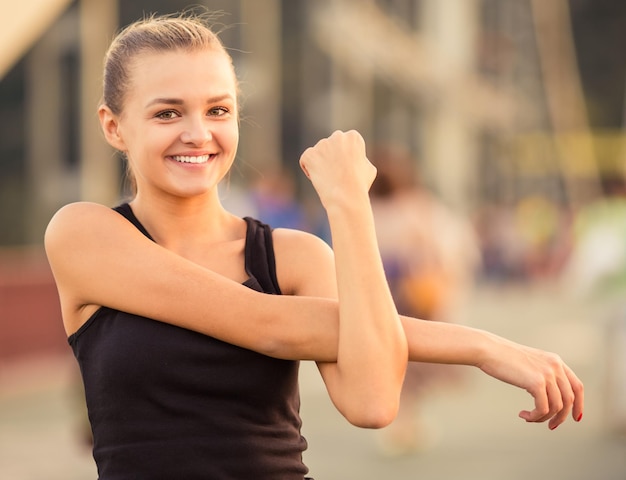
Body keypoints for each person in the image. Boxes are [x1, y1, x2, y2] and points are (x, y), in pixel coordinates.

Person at [44, 11, 584, 480]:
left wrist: (349, 203)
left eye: (218, 110)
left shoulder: (294, 257)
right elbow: (267, 326)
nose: (197, 133)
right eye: (167, 113)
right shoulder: (83, 234)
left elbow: (373, 401)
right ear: (113, 127)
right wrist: (483, 346)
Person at [369, 146, 481, 454]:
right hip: (412, 293)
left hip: (382, 293)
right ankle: (407, 422)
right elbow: (445, 249)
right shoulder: (419, 206)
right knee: (411, 364)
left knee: (390, 361)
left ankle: (401, 424)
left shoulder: (364, 209)